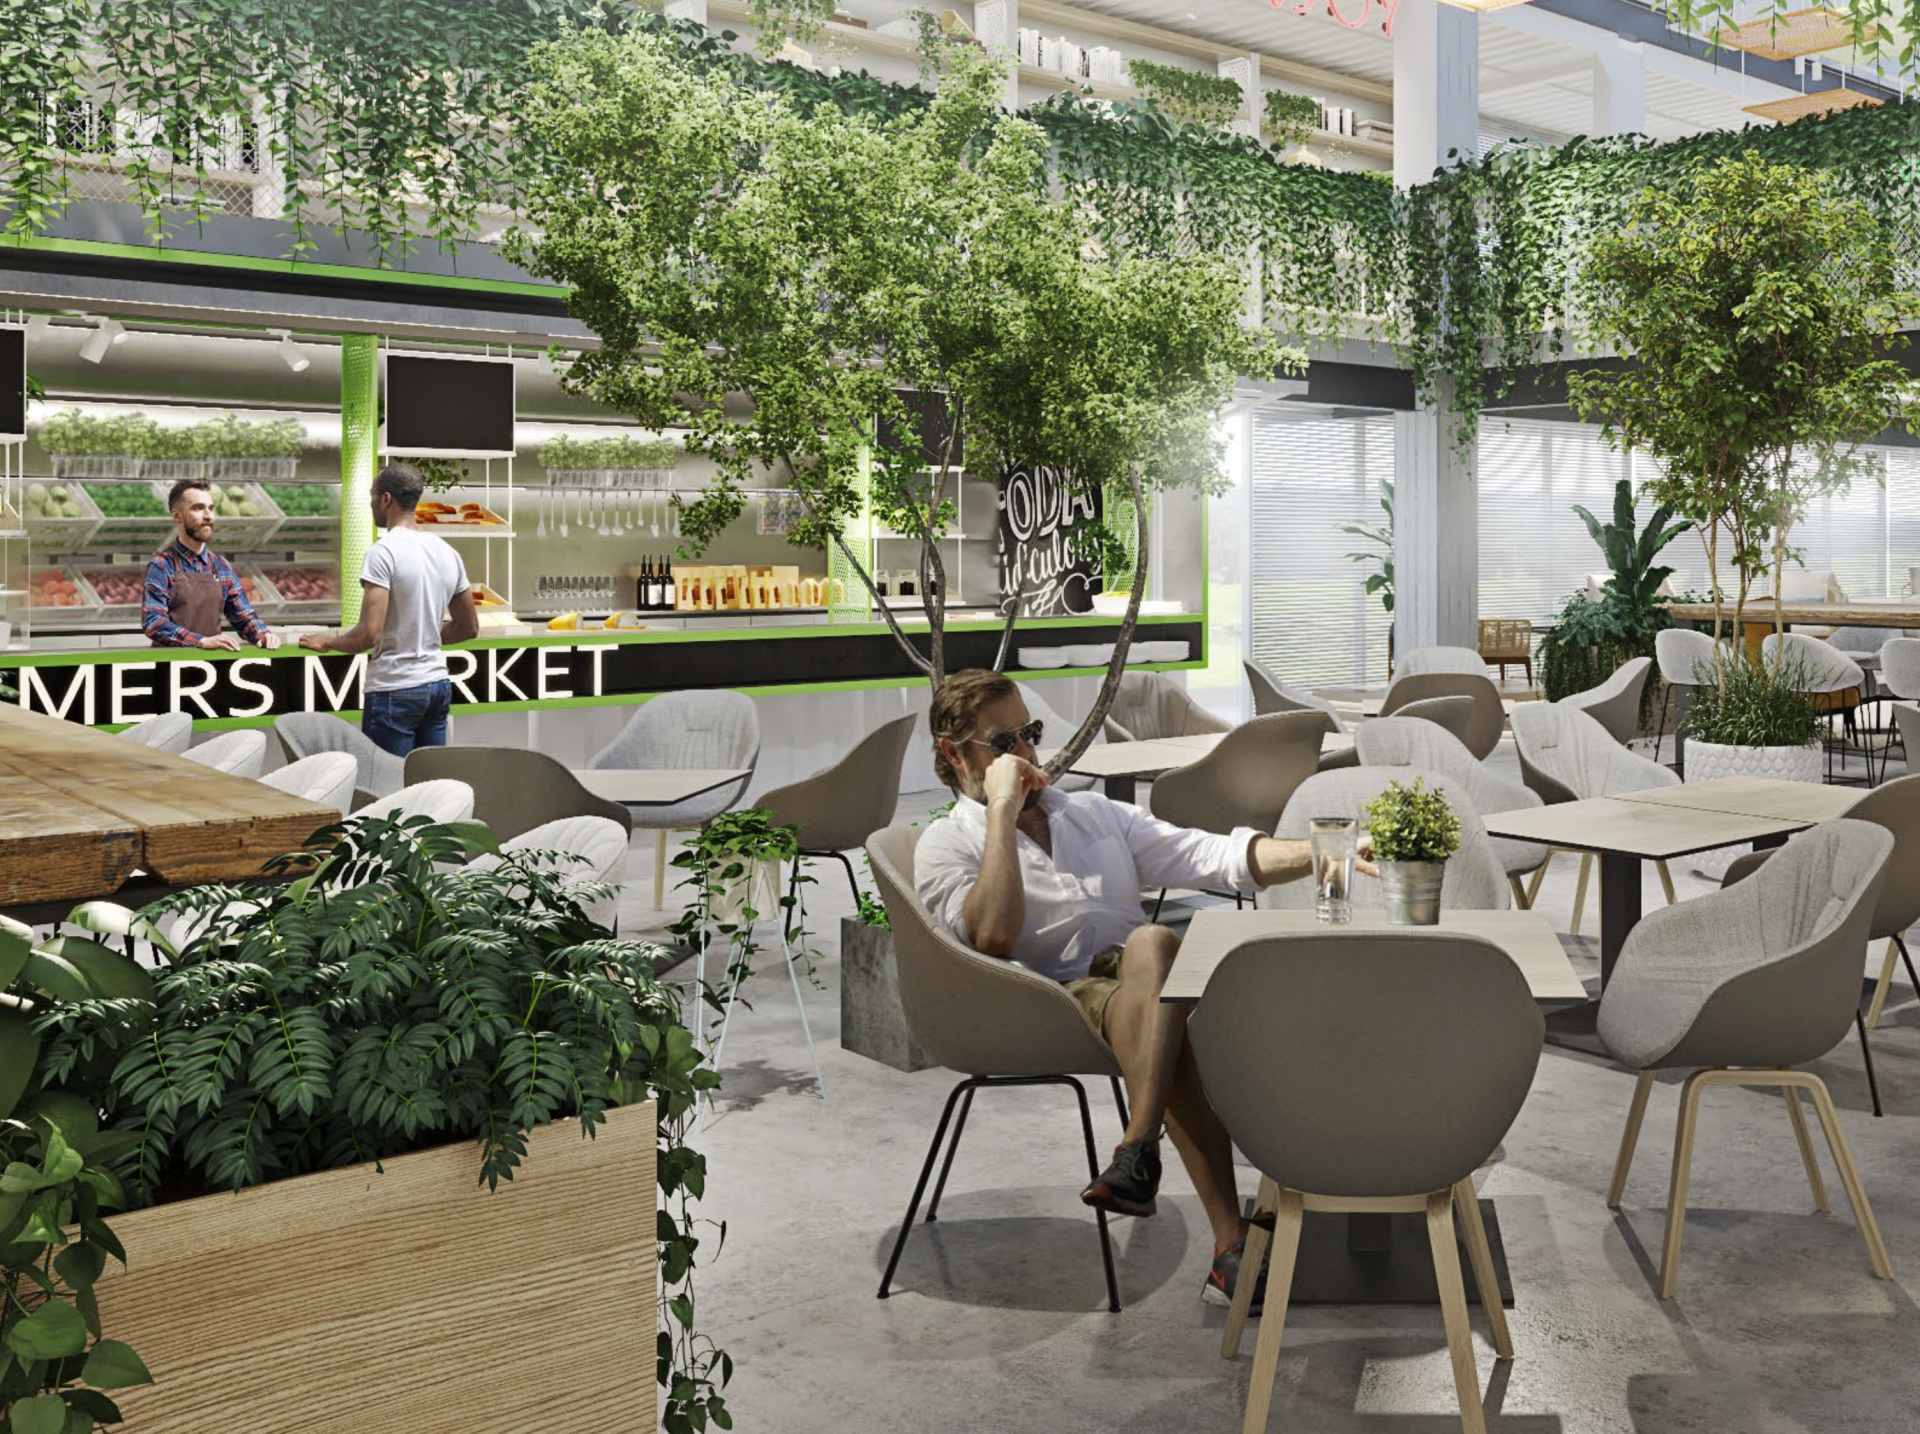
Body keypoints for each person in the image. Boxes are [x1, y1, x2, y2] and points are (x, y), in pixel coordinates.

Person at [916, 669, 1371, 1309]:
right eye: (1003, 742)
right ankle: (1227, 1221)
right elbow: (992, 935)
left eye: (1031, 734)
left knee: (1233, 985)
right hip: (1049, 1001)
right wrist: (999, 809)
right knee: (1158, 950)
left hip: (1143, 989)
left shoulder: (1093, 814)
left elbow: (1217, 857)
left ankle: (1151, 1164)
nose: (1024, 753)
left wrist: (1330, 853)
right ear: (953, 752)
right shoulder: (946, 842)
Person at [300, 463, 478, 756]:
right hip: (436, 685)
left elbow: (369, 634)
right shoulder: (447, 551)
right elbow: (468, 628)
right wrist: (421, 635)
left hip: (394, 689)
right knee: (427, 784)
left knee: (387, 787)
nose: (370, 503)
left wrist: (327, 641)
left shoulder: (383, 552)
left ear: (386, 499)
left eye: (372, 495)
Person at [142, 480, 282, 651]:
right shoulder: (162, 565)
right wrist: (200, 641)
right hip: (170, 667)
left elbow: (243, 616)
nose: (208, 516)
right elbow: (153, 622)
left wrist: (262, 634)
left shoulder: (221, 565)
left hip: (211, 665)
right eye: (198, 508)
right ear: (177, 516)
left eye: (211, 508)